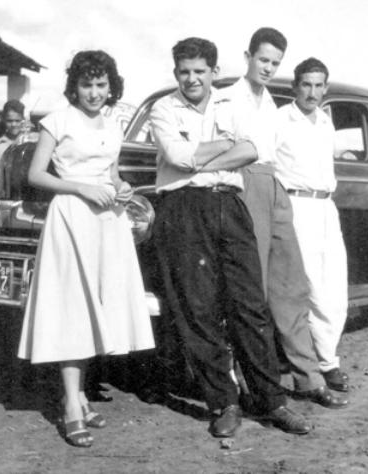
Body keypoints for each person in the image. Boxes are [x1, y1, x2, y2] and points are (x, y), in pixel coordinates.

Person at [150, 37, 311, 438]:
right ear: (176, 73)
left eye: (200, 71)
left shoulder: (232, 102)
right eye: (185, 71)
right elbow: (177, 157)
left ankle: (271, 401)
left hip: (231, 205)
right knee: (198, 310)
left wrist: (204, 155)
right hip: (184, 210)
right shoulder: (163, 109)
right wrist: (224, 147)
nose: (192, 79)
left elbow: (253, 149)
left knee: (250, 305)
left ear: (214, 72)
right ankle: (223, 403)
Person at [17, 50, 155, 448]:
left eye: (100, 85)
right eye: (86, 84)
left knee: (98, 306)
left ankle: (76, 395)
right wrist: (80, 187)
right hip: (71, 218)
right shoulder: (57, 121)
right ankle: (72, 409)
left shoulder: (113, 126)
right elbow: (36, 174)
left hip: (106, 221)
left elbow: (111, 173)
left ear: (111, 87)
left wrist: (121, 186)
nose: (93, 93)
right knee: (73, 308)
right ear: (73, 87)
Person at [218, 28, 347, 408]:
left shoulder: (271, 105)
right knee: (249, 290)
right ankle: (243, 382)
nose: (268, 68)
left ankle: (308, 378)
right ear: (248, 57)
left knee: (290, 289)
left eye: (275, 62)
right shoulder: (227, 98)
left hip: (274, 188)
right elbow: (224, 148)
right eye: (263, 60)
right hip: (246, 184)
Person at [275, 57, 350, 392]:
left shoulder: (324, 122)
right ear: (295, 86)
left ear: (326, 88)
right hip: (295, 205)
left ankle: (328, 360)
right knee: (305, 288)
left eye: (319, 85)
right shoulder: (279, 119)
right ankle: (306, 367)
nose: (313, 92)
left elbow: (333, 158)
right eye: (306, 84)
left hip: (325, 208)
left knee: (334, 287)